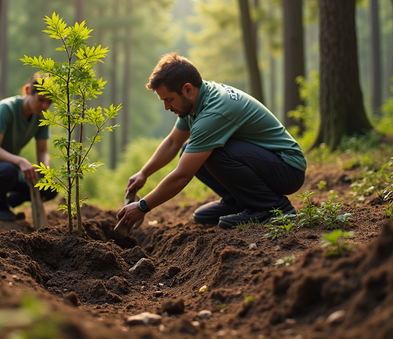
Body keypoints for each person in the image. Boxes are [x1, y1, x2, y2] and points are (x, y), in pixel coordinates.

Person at [117, 52, 306, 230]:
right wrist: (144, 173)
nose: (167, 107)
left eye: (169, 99)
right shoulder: (195, 102)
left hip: (287, 168)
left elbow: (183, 175)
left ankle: (272, 207)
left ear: (187, 89)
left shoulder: (213, 112)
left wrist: (142, 207)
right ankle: (238, 200)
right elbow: (173, 143)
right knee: (187, 149)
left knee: (209, 152)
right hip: (268, 164)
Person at [0, 73, 57, 221]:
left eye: (49, 102)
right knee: (7, 170)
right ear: (28, 91)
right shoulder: (6, 108)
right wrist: (21, 161)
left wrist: (45, 169)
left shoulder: (42, 117)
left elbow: (42, 151)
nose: (45, 106)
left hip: (12, 170)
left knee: (50, 187)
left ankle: (3, 203)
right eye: (41, 100)